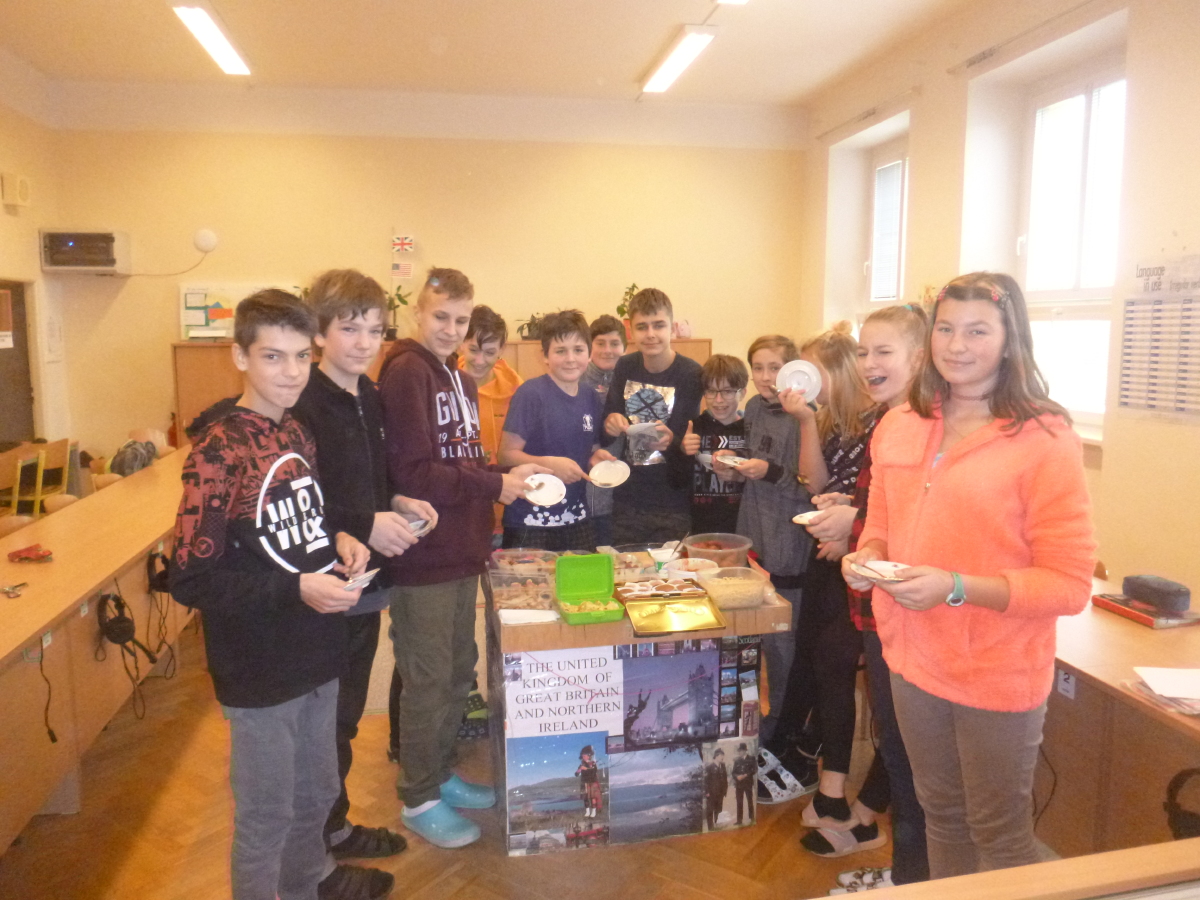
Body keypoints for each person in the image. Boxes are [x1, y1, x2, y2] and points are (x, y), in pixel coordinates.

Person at [844, 272, 1095, 879]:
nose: (957, 346)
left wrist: (954, 586)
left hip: (996, 668)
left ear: (1010, 341)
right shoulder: (901, 422)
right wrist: (867, 556)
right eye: (947, 329)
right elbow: (882, 520)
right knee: (940, 814)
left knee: (998, 832)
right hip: (912, 658)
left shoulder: (1044, 438)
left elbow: (1069, 583)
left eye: (978, 331)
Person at [170, 290, 391, 900]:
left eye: (300, 356)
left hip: (317, 646)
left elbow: (298, 523)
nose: (292, 372)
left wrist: (338, 540)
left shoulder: (295, 428)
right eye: (273, 357)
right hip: (260, 665)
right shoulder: (217, 450)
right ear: (240, 357)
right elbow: (192, 577)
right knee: (267, 814)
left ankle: (309, 883)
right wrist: (296, 588)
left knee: (317, 794)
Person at [377, 268, 547, 849]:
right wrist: (492, 485)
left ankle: (439, 772)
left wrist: (506, 475)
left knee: (456, 672)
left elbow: (463, 465)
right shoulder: (407, 372)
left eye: (461, 319)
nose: (451, 329)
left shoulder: (458, 378)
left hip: (462, 551)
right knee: (427, 679)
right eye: (441, 317)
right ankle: (417, 797)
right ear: (417, 315)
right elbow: (414, 473)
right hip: (424, 556)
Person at [291, 270, 441, 878]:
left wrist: (397, 503)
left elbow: (370, 482)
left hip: (366, 583)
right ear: (319, 332)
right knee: (323, 721)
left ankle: (334, 826)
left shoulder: (370, 395)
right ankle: (315, 852)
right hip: (323, 587)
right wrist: (364, 522)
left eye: (374, 330)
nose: (363, 342)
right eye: (349, 329)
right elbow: (299, 502)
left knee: (345, 716)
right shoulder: (303, 401)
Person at [805, 304, 930, 886]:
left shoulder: (923, 424)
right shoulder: (890, 422)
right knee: (900, 745)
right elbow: (882, 513)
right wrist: (851, 515)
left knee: (910, 751)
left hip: (908, 610)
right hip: (877, 603)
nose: (868, 363)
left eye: (883, 352)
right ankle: (893, 856)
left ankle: (906, 870)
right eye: (863, 351)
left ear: (918, 358)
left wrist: (851, 523)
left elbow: (922, 524)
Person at [772, 324, 876, 829]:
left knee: (834, 663)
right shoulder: (832, 419)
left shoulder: (883, 421)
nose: (803, 381)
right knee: (813, 658)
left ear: (839, 370)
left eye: (813, 370)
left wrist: (850, 524)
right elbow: (814, 483)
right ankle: (807, 759)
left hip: (859, 559)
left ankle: (832, 782)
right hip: (829, 551)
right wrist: (808, 422)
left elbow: (884, 504)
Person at [723, 335, 814, 746]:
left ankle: (781, 723)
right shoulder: (755, 407)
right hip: (753, 529)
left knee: (781, 639)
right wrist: (735, 469)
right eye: (757, 368)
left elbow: (813, 485)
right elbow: (752, 459)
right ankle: (747, 719)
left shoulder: (807, 415)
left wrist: (771, 472)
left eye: (774, 368)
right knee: (748, 631)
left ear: (793, 370)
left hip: (789, 537)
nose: (765, 377)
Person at [498, 310, 616, 551]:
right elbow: (506, 455)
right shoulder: (531, 394)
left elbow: (590, 448)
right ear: (545, 356)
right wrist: (550, 465)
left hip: (577, 517)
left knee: (582, 576)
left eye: (578, 350)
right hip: (529, 520)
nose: (570, 359)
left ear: (589, 353)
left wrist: (597, 458)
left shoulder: (590, 397)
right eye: (560, 351)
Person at [601, 288, 703, 544]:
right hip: (628, 498)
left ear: (672, 328)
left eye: (658, 325)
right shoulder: (625, 366)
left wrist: (672, 441)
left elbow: (689, 443)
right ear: (631, 332)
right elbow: (608, 424)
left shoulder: (691, 374)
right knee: (625, 568)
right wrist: (610, 422)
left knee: (670, 570)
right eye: (642, 327)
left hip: (672, 500)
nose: (650, 334)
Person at [459, 304, 522, 536]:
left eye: (489, 352)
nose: (479, 360)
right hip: (462, 511)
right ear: (461, 343)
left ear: (501, 349)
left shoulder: (518, 391)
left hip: (509, 513)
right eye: (473, 349)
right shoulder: (443, 387)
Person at [680, 354, 750, 534]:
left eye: (727, 391)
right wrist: (682, 452)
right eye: (711, 391)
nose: (718, 400)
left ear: (742, 393)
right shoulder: (692, 428)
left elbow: (761, 483)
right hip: (698, 527)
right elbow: (676, 482)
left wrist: (740, 475)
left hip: (742, 526)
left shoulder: (752, 431)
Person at [581, 314, 626, 546]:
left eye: (614, 343)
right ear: (590, 346)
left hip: (625, 496)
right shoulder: (576, 380)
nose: (608, 350)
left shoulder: (632, 382)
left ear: (625, 348)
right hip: (586, 489)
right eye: (600, 343)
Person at [704, 748, 730, 830]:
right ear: (716, 756)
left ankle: (717, 824)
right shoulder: (709, 767)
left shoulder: (723, 766)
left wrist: (725, 790)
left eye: (723, 755)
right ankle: (710, 827)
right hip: (711, 793)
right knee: (710, 810)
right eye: (721, 755)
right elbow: (706, 781)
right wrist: (707, 792)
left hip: (720, 792)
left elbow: (725, 779)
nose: (722, 757)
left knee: (718, 810)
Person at [731, 742, 756, 825]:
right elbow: (733, 772)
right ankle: (739, 820)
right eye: (739, 751)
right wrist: (737, 777)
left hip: (748, 783)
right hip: (739, 784)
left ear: (745, 751)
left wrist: (746, 775)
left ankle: (752, 818)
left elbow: (754, 769)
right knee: (739, 802)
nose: (739, 752)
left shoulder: (751, 758)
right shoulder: (737, 761)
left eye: (741, 751)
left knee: (750, 801)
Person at [575, 745, 602, 818]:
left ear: (588, 756)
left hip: (592, 782)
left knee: (593, 797)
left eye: (584, 755)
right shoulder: (581, 764)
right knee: (585, 798)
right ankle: (587, 812)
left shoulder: (593, 764)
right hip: (584, 783)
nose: (583, 757)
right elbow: (576, 774)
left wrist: (586, 769)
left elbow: (594, 772)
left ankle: (593, 811)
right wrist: (579, 770)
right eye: (582, 756)